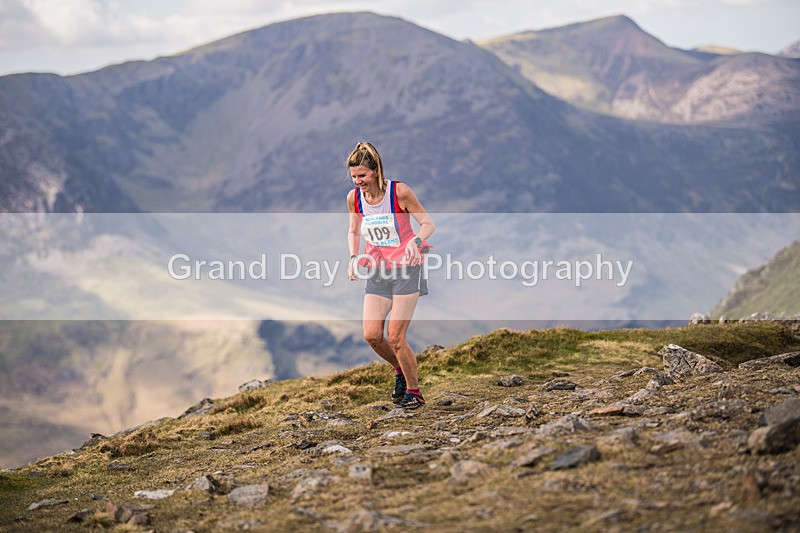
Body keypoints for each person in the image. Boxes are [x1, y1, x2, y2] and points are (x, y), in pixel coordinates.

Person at [346, 142, 435, 409]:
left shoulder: (400, 192)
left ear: (375, 171)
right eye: (353, 176)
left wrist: (415, 241)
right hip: (379, 269)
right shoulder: (354, 198)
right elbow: (353, 230)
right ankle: (400, 370)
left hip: (408, 268)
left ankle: (414, 392)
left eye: (362, 175)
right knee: (372, 335)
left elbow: (428, 224)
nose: (358, 181)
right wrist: (354, 257)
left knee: (396, 336)